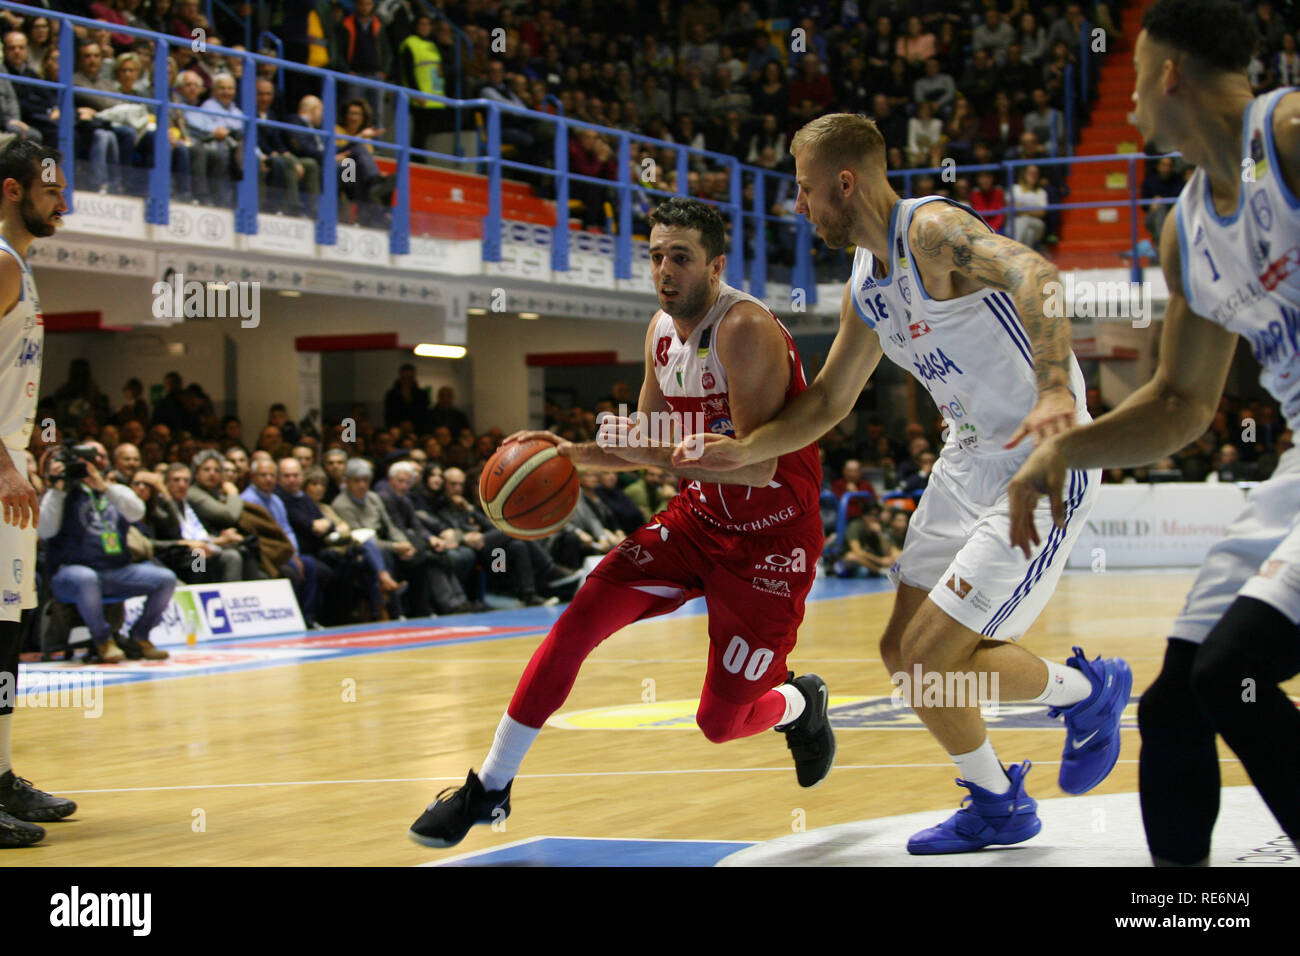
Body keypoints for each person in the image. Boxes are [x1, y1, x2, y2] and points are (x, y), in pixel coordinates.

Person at [675, 113, 1129, 856]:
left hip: (1040, 459)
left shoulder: (931, 232)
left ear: (843, 183)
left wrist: (1054, 388)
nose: (797, 206)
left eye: (804, 189)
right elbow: (826, 402)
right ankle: (997, 803)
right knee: (903, 657)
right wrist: (743, 450)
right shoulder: (864, 283)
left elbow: (1035, 275)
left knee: (931, 661)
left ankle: (1090, 694)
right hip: (965, 462)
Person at [409, 198, 833, 848]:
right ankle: (489, 788)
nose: (664, 270)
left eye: (681, 257)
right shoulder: (660, 331)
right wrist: (567, 453)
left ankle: (801, 703)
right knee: (577, 622)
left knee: (721, 723)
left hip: (770, 540)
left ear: (716, 265)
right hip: (696, 521)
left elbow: (754, 467)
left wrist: (650, 453)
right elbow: (646, 437)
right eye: (657, 255)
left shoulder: (743, 328)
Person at [1009, 0, 1300, 865]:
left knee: (1231, 678)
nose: (1129, 100)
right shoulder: (1185, 233)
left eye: (1133, 76)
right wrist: (1060, 449)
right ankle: (1183, 903)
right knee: (1180, 699)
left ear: (1167, 73)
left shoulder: (1285, 133)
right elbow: (1179, 402)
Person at [0, 140, 76, 846]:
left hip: (12, 472)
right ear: (14, 190)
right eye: (53, 190)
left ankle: (0, 773)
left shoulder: (21, 267)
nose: (65, 203)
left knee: (7, 632)